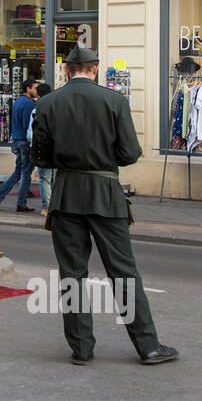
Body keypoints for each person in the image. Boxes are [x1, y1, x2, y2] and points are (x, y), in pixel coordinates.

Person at [31, 45, 177, 366]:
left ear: (67, 70)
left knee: (72, 273)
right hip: (105, 193)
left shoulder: (47, 103)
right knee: (123, 272)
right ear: (95, 68)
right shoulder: (115, 101)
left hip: (66, 193)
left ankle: (81, 348)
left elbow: (39, 156)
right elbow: (129, 153)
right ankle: (148, 346)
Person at [0, 79, 38, 213]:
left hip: (17, 139)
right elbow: (28, 125)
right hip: (24, 141)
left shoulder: (18, 101)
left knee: (19, 172)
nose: (36, 90)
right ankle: (21, 203)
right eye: (34, 88)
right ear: (28, 89)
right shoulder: (29, 104)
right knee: (25, 173)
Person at [30, 82, 54, 215]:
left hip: (42, 148)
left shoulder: (37, 109)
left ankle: (47, 207)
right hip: (55, 148)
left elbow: (31, 132)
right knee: (53, 178)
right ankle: (55, 205)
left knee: (44, 178)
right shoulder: (56, 107)